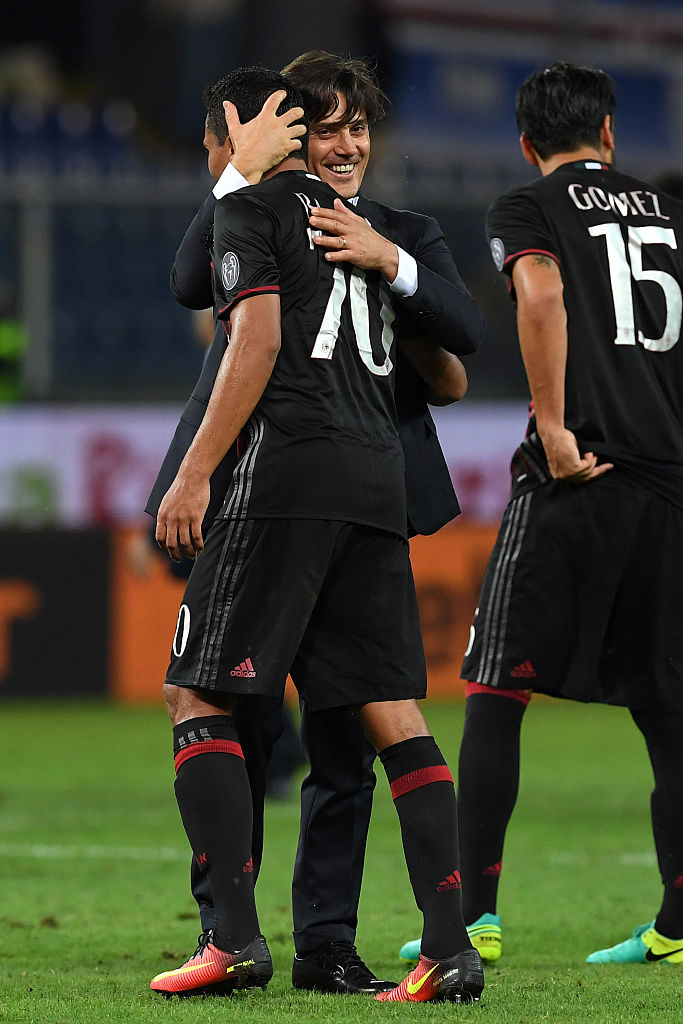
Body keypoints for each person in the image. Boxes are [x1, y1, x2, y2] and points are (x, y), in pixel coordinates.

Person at [146, 52, 484, 995]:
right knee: (390, 710)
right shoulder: (294, 212)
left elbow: (252, 338)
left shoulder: (312, 220)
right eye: (322, 127)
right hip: (372, 482)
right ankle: (448, 949)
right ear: (290, 130)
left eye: (356, 127)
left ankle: (241, 940)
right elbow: (193, 282)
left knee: (196, 694)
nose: (343, 144)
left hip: (283, 477)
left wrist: (194, 473)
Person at [397, 61, 683, 969]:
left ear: (525, 144)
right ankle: (678, 925)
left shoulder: (527, 207)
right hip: (669, 484)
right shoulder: (669, 213)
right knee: (668, 706)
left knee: (496, 687)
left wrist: (554, 426)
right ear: (609, 133)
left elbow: (542, 293)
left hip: (578, 474)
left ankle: (474, 917)